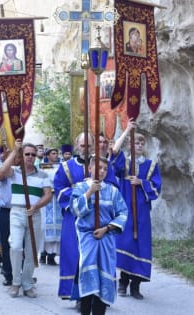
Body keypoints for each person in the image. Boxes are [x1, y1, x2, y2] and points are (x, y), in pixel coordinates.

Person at [54, 132, 118, 301]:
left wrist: (100, 191)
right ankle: (76, 294)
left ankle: (98, 294)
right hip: (74, 217)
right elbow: (59, 188)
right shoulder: (66, 166)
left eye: (89, 145)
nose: (86, 149)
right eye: (83, 146)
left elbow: (112, 186)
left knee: (99, 256)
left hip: (98, 216)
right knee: (75, 255)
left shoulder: (102, 165)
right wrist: (80, 192)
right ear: (77, 146)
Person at [70, 156, 128, 315]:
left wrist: (107, 228)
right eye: (98, 167)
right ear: (90, 168)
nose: (101, 171)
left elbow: (122, 213)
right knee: (89, 273)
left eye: (104, 169)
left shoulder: (113, 191)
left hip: (106, 238)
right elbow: (75, 210)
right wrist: (89, 192)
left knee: (105, 275)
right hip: (87, 236)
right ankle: (85, 310)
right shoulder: (81, 187)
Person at [110, 122, 162, 300]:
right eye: (136, 143)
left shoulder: (151, 165)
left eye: (141, 143)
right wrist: (126, 131)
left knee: (141, 246)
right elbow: (114, 153)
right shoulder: (124, 162)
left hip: (141, 213)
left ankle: (136, 286)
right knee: (125, 243)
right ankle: (123, 282)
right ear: (130, 145)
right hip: (126, 210)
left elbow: (157, 188)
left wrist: (142, 183)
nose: (138, 146)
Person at [0, 140, 52, 298]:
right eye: (27, 154)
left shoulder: (43, 175)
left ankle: (27, 283)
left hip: (34, 214)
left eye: (33, 155)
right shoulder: (14, 172)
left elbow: (48, 194)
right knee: (15, 246)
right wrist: (15, 151)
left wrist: (36, 206)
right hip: (17, 212)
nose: (30, 157)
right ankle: (15, 282)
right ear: (22, 155)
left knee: (31, 251)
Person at [0, 149, 22, 286]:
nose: (16, 158)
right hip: (6, 211)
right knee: (7, 243)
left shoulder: (24, 172)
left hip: (21, 211)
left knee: (22, 244)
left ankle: (21, 272)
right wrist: (1, 199)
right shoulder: (1, 171)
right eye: (13, 156)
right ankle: (8, 274)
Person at [39, 148, 62, 265]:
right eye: (53, 153)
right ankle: (43, 253)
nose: (56, 155)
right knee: (44, 226)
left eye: (57, 153)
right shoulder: (43, 167)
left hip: (57, 200)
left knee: (56, 228)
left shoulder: (61, 167)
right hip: (46, 199)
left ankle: (52, 255)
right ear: (47, 155)